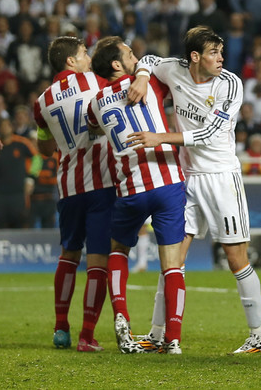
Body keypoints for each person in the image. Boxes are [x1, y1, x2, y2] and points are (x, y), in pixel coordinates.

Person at [125, 26, 261, 354]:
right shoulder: (175, 69)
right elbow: (148, 58)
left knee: (236, 258)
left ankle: (259, 336)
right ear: (194, 57)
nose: (221, 58)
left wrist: (159, 138)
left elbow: (209, 132)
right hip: (187, 178)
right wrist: (144, 76)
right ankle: (158, 333)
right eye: (213, 53)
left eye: (221, 52)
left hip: (221, 177)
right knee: (171, 257)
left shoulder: (230, 84)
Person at [87, 36, 186, 355]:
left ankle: (121, 316)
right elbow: (161, 65)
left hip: (130, 188)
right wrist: (143, 74)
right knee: (172, 264)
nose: (136, 57)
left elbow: (92, 127)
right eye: (130, 54)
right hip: (167, 179)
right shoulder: (151, 85)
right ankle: (172, 338)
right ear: (117, 64)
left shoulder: (96, 103)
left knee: (118, 250)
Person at [32, 37, 116, 352]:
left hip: (68, 186)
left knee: (68, 255)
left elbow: (44, 146)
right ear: (71, 61)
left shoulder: (41, 102)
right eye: (83, 53)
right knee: (98, 260)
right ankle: (88, 336)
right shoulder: (97, 80)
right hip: (102, 184)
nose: (88, 57)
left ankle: (61, 329)